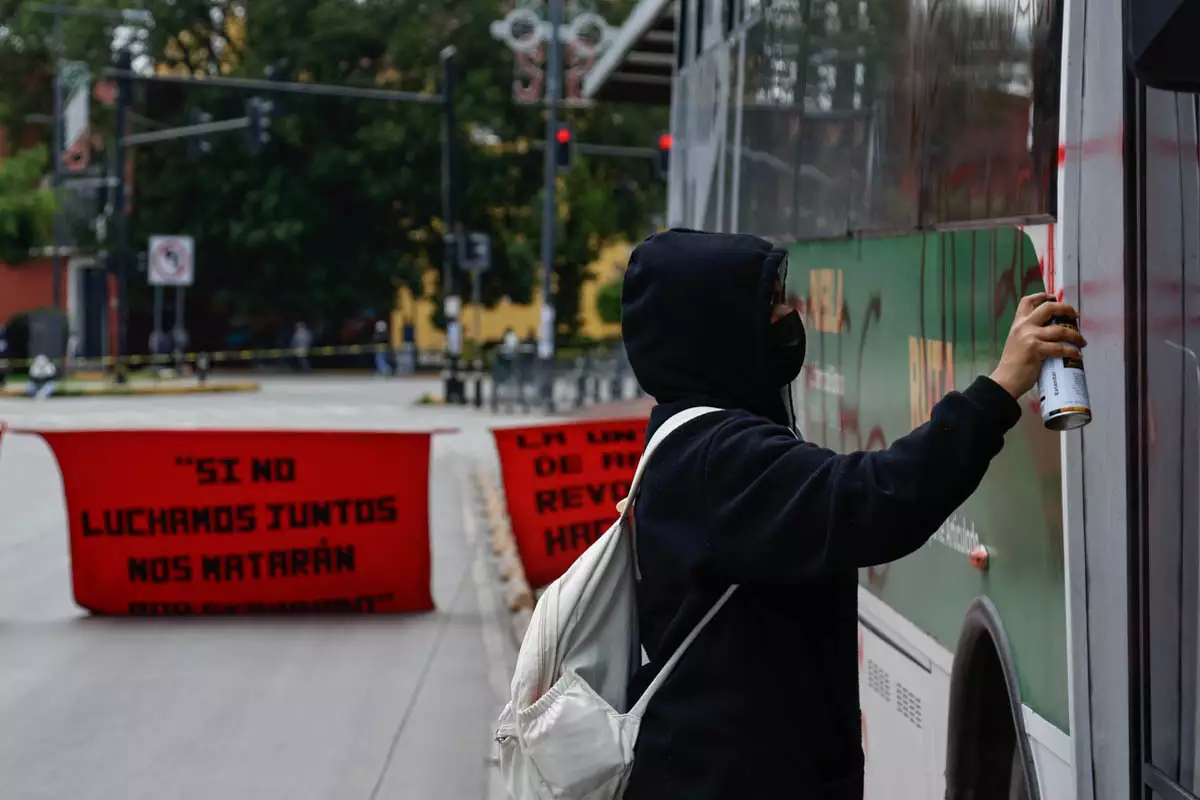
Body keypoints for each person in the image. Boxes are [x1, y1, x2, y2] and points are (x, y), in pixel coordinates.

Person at [618, 229, 1087, 799]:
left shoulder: (691, 443)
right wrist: (999, 388)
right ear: (714, 329)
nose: (791, 314)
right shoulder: (719, 459)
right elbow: (876, 499)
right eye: (769, 302)